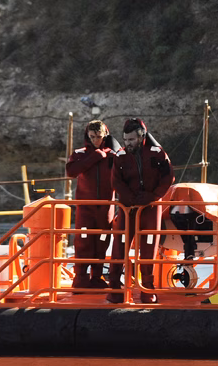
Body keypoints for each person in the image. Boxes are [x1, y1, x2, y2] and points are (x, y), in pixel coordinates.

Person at [108, 118, 174, 305]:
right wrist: (131, 198)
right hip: (127, 208)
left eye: (131, 140)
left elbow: (168, 176)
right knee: (119, 246)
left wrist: (152, 196)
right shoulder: (120, 156)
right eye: (125, 140)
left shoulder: (158, 154)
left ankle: (147, 289)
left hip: (150, 208)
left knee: (148, 249)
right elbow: (116, 182)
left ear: (141, 137)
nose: (127, 144)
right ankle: (114, 288)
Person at [65, 119, 119, 289]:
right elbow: (71, 172)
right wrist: (94, 157)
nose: (96, 140)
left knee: (103, 240)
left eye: (99, 136)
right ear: (87, 136)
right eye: (92, 136)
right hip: (85, 207)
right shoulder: (80, 153)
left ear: (105, 136)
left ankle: (97, 276)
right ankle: (80, 277)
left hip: (106, 207)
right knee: (83, 240)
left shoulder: (113, 155)